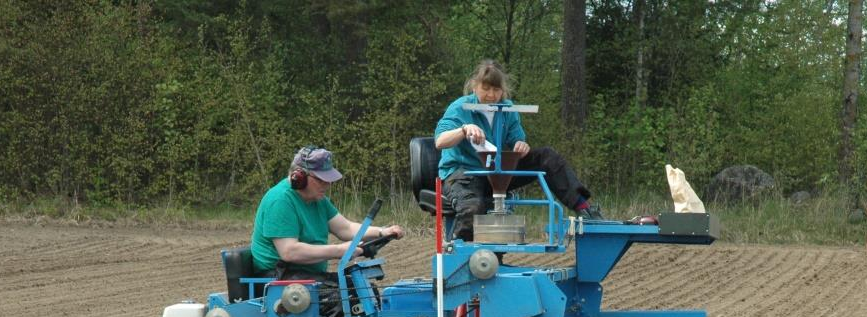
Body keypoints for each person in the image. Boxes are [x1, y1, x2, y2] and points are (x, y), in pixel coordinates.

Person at [434, 59, 603, 242]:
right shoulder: (459, 108)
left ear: (503, 90)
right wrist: (464, 129)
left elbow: (518, 140)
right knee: (472, 208)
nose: (491, 95)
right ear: (475, 86)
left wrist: (521, 145)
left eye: (496, 90)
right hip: (464, 173)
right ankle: (457, 251)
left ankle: (585, 209)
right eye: (486, 88)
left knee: (547, 157)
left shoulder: (507, 109)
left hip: (496, 171)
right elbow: (440, 141)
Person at [250, 145, 404, 279]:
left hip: (304, 276)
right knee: (342, 298)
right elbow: (289, 252)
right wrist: (338, 250)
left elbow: (346, 228)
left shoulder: (318, 199)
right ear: (299, 177)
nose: (327, 185)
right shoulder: (280, 200)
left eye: (329, 180)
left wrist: (382, 232)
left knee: (357, 292)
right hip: (277, 278)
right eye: (321, 180)